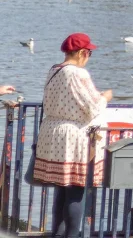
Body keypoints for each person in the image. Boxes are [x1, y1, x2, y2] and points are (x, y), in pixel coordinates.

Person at [34, 33, 113, 238]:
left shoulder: (54, 69)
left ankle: (58, 235)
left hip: (52, 134)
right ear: (80, 53)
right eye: (89, 53)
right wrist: (105, 97)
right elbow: (93, 106)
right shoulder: (78, 73)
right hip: (73, 137)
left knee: (62, 189)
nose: (88, 57)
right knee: (76, 191)